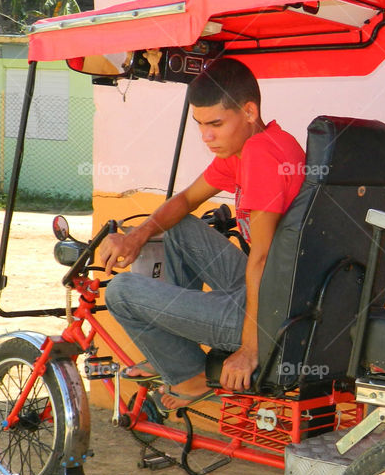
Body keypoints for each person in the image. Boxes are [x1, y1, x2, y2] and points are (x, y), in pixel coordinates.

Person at [98, 58, 306, 409]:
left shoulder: (260, 155)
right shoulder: (263, 143)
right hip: (282, 291)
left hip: (272, 311)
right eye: (199, 124)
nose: (206, 136)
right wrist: (136, 237)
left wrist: (250, 348)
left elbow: (263, 256)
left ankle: (188, 376)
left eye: (216, 124)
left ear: (250, 111)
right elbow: (185, 200)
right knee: (178, 225)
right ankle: (171, 351)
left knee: (120, 292)